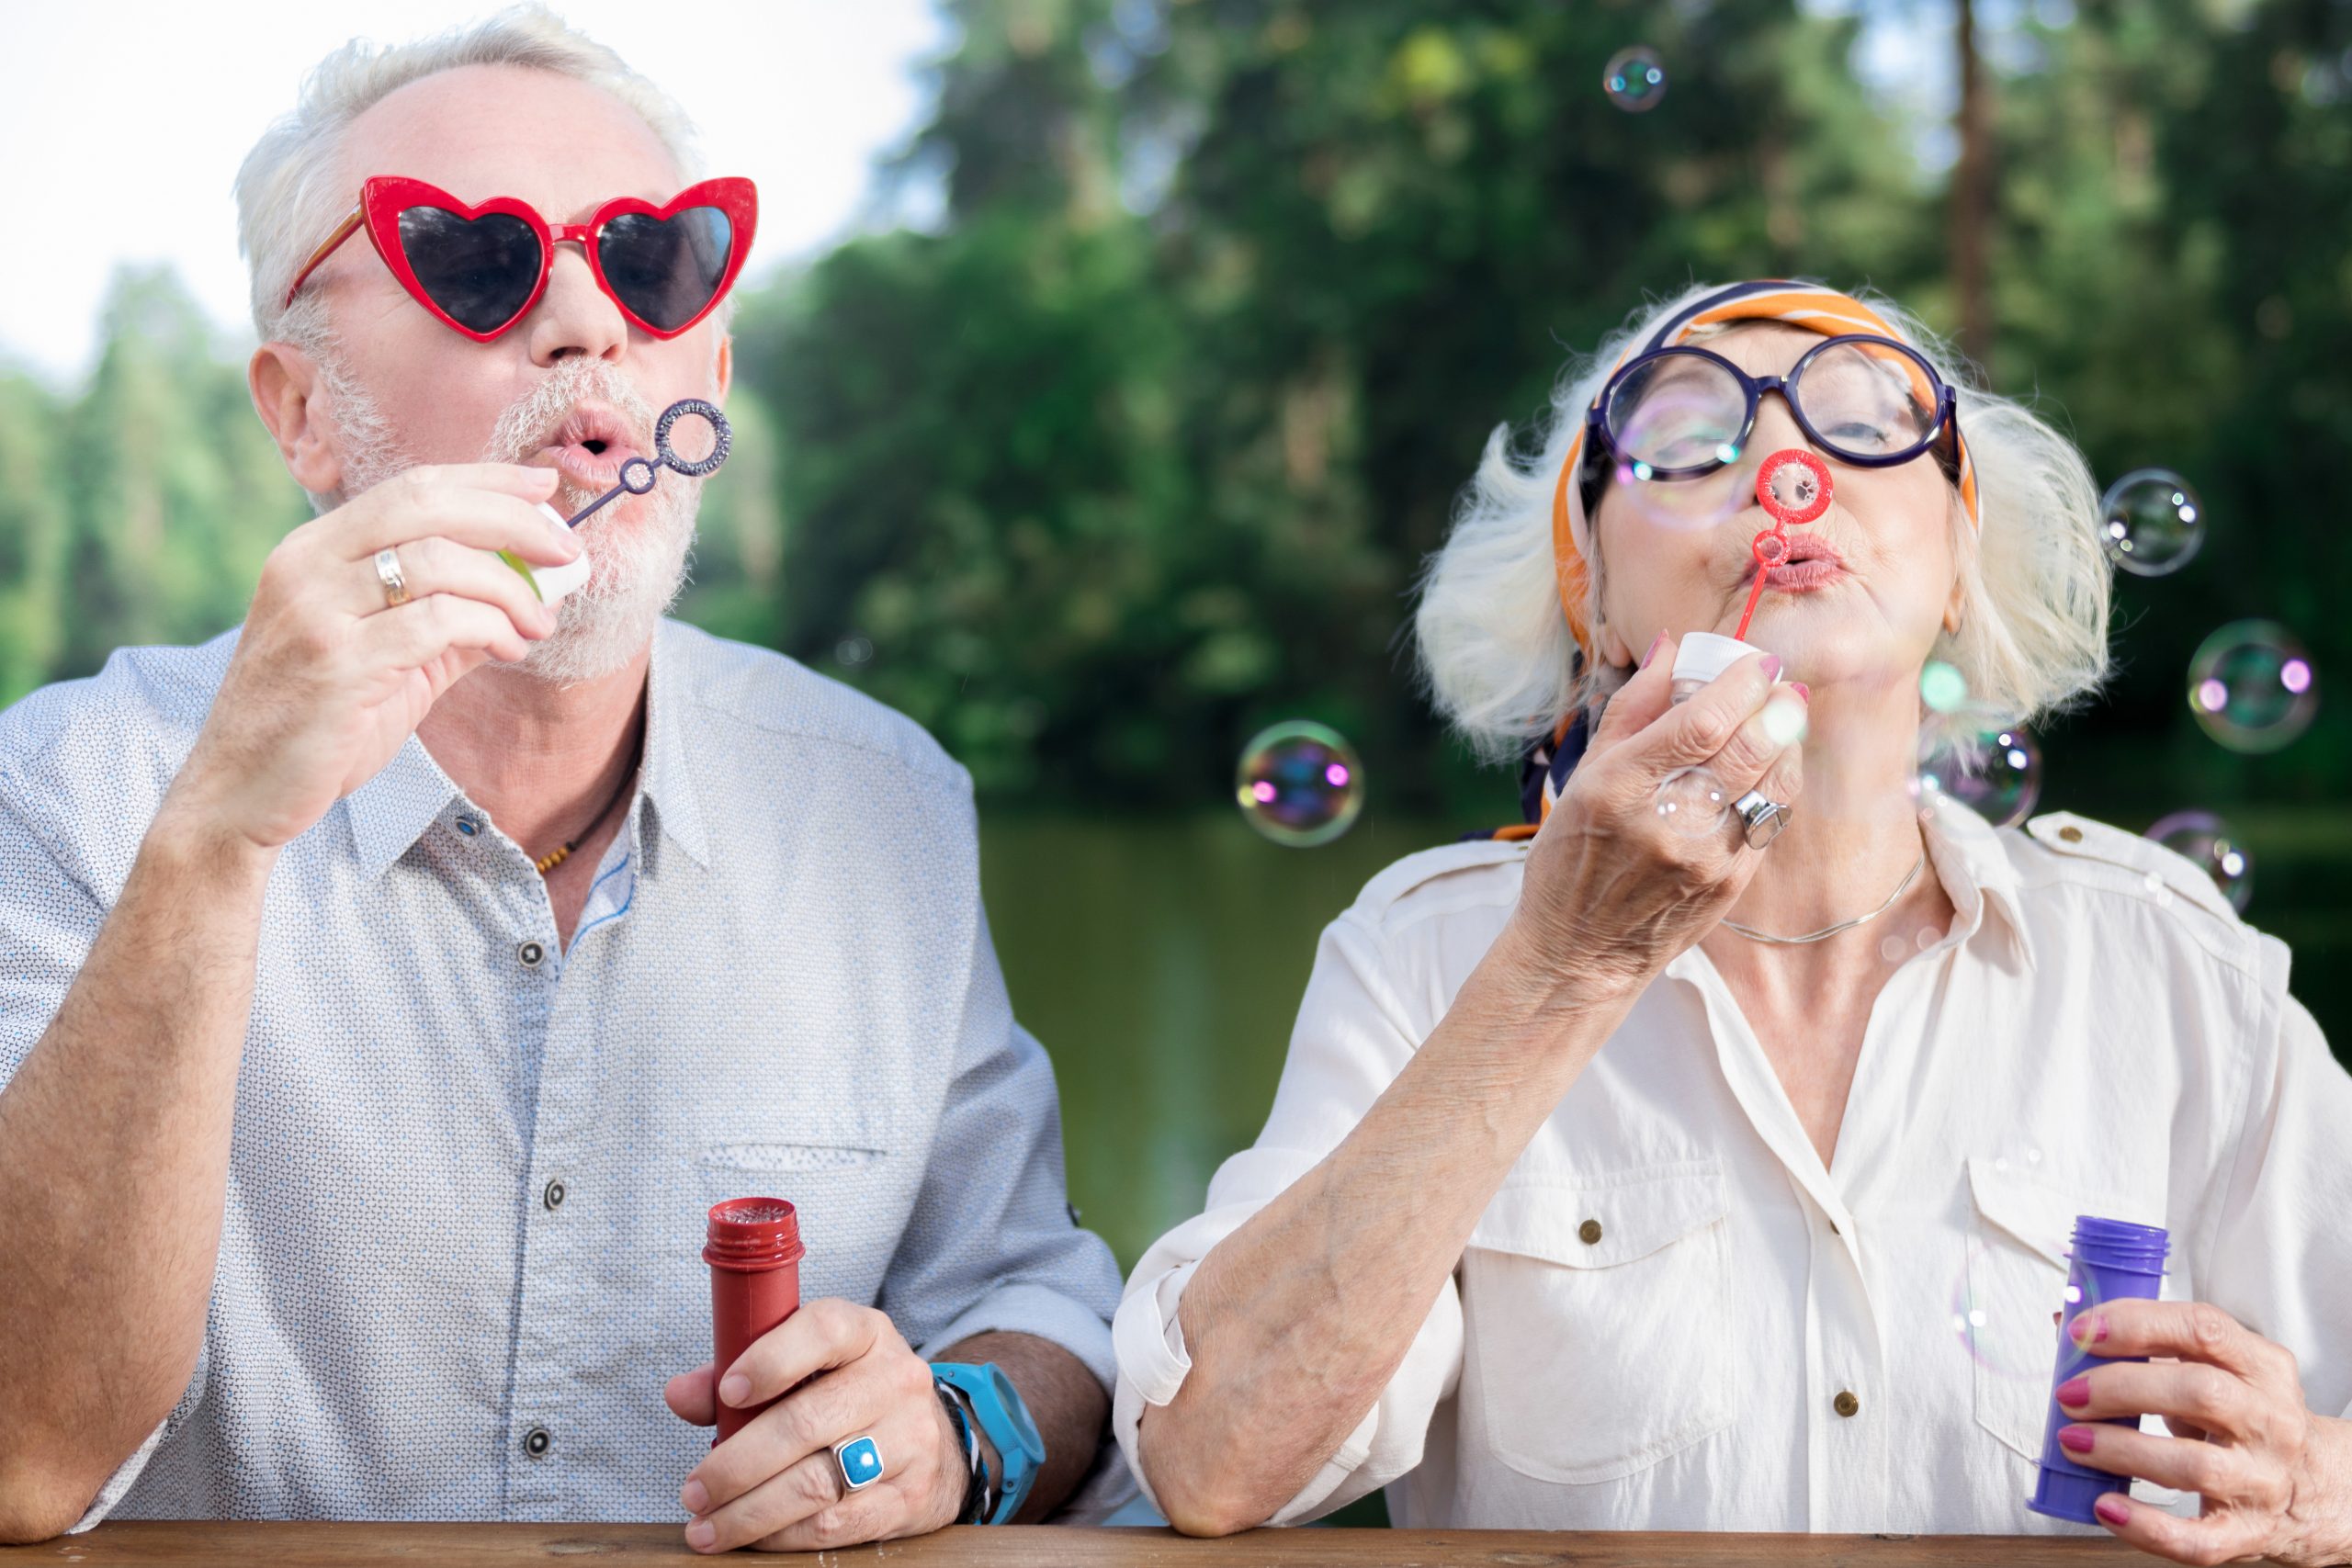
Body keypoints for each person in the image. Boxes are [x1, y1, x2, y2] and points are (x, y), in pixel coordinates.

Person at [0, 11, 1124, 1551]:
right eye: (480, 260)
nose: (589, 320)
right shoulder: (74, 792)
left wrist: (953, 1430)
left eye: (654, 260)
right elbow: (17, 1464)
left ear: (704, 372)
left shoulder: (883, 803)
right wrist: (211, 845)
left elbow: (1037, 1303)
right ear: (302, 408)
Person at [1113, 279, 2352, 1564]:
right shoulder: (1426, 960)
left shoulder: (2162, 964)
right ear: (1587, 595)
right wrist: (1559, 970)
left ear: (1960, 561)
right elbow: (1213, 1460)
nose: (1785, 462)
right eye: (1694, 438)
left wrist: (2320, 1485)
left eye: (1865, 420)